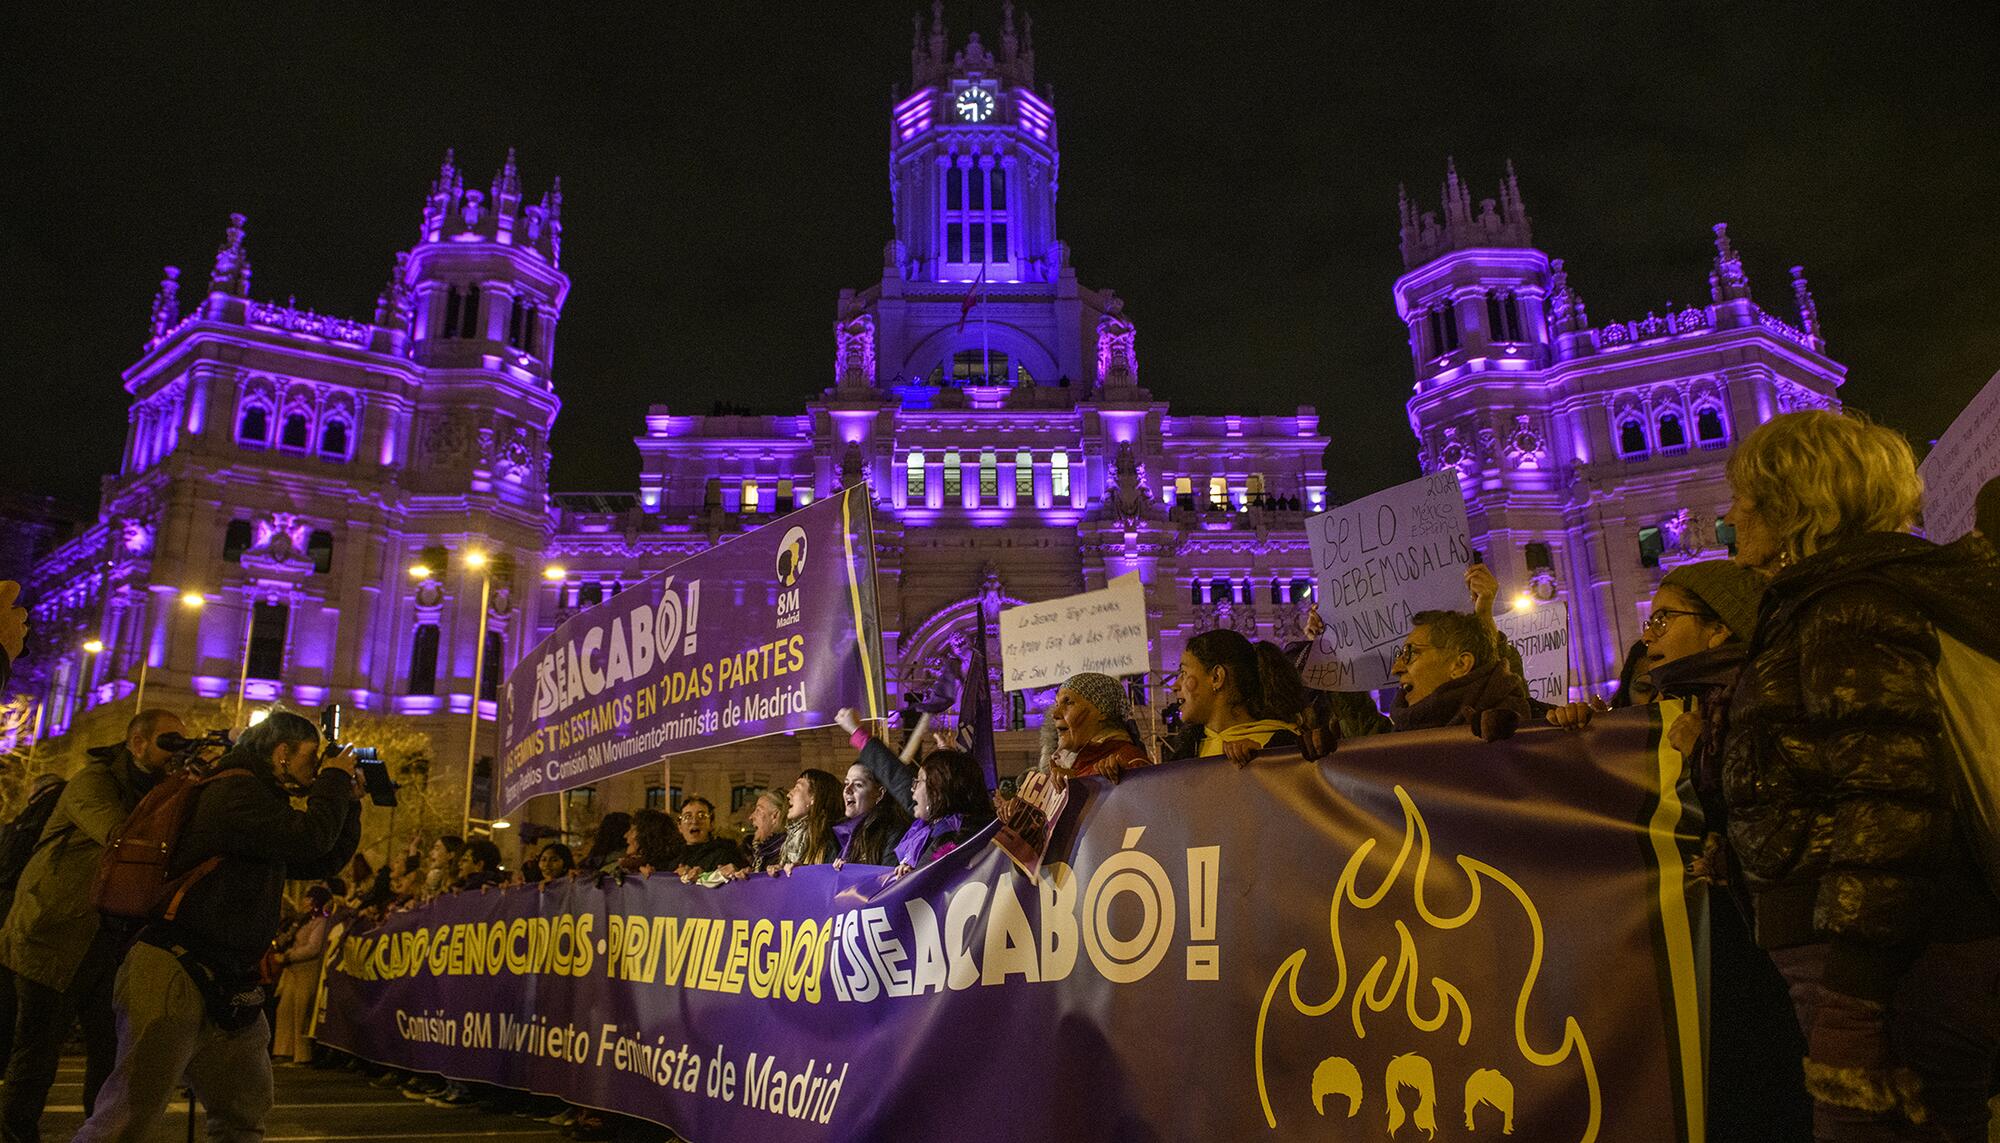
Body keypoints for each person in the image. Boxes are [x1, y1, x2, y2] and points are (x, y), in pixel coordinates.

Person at [1719, 409, 2000, 1141]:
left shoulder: (1849, 606)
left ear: (1793, 505)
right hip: (1886, 952)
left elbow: (1890, 801)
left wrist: (1855, 992)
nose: (1730, 513)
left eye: (1745, 497)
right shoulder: (1832, 600)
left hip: (1892, 965)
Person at [74, 709, 360, 1142]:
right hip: (177, 971)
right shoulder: (234, 791)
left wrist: (349, 803)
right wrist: (335, 783)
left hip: (228, 979)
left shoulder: (261, 801)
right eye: (312, 756)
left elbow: (320, 858)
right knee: (126, 1120)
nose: (317, 767)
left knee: (243, 1116)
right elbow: (308, 839)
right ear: (281, 753)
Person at [0, 707, 184, 1142]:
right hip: (53, 936)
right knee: (37, 1054)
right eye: (167, 742)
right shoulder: (93, 782)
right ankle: (14, 1135)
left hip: (107, 941)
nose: (173, 752)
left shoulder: (156, 786)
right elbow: (124, 839)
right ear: (138, 743)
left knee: (110, 1059)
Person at [1163, 629, 1306, 762]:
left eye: (1184, 673)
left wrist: (1265, 763)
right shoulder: (1186, 752)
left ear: (1217, 677)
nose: (1174, 686)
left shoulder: (1291, 750)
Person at [1387, 610, 1532, 735]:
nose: (1395, 669)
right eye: (1400, 654)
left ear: (1460, 665)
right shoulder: (1394, 739)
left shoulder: (1532, 730)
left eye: (1409, 653)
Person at [891, 750, 995, 876]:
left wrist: (911, 880)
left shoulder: (955, 836)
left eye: (918, 781)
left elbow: (934, 884)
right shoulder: (937, 829)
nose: (913, 789)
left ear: (937, 790)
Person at [1045, 672, 1151, 780]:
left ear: (1103, 711)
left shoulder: (1127, 762)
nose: (1055, 714)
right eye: (1057, 704)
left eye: (1069, 703)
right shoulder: (1076, 765)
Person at [270, 885, 332, 1065]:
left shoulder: (320, 922)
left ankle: (302, 1055)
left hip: (307, 970)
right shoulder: (304, 920)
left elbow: (313, 948)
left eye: (309, 898)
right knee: (285, 1009)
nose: (304, 901)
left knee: (301, 1011)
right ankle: (284, 1050)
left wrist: (289, 955)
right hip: (293, 970)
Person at [833, 760, 911, 868]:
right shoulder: (841, 832)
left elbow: (888, 878)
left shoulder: (894, 831)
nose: (847, 790)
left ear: (880, 793)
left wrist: (853, 873)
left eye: (858, 785)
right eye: (846, 783)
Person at [780, 770, 843, 869]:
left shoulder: (831, 841)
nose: (789, 795)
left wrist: (803, 871)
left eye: (797, 788)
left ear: (814, 796)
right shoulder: (791, 840)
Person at [673, 797, 745, 875]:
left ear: (711, 824)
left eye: (701, 816)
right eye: (687, 817)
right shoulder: (672, 857)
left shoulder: (725, 855)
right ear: (679, 826)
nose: (694, 821)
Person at [621, 809, 684, 875]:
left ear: (648, 836)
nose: (625, 835)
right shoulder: (630, 866)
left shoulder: (670, 869)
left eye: (632, 831)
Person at [736, 790, 785, 876]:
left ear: (775, 816)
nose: (751, 817)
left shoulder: (786, 856)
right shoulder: (761, 855)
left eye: (758, 810)